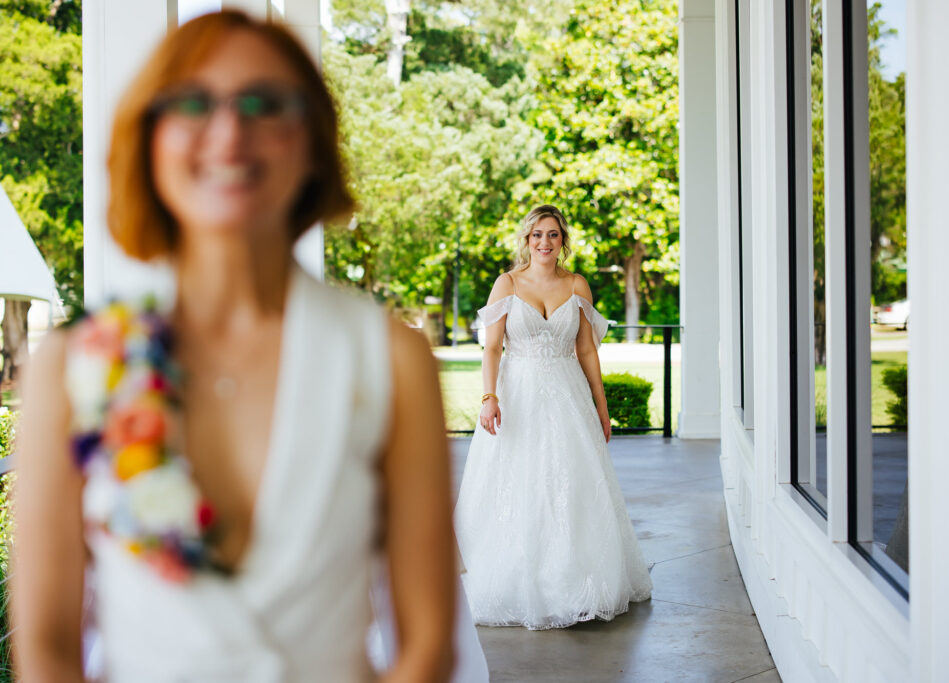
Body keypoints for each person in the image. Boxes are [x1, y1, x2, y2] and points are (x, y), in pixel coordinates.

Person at [11, 11, 455, 681]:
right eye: (192, 102)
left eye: (264, 103)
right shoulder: (73, 366)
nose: (229, 132)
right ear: (149, 136)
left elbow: (427, 643)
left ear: (312, 140)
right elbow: (44, 645)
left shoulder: (391, 359)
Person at [453, 205, 653, 630]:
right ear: (526, 240)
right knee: (520, 483)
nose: (545, 242)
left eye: (553, 235)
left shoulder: (577, 285)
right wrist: (489, 397)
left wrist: (602, 406)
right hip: (517, 395)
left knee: (572, 485)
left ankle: (574, 581)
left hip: (568, 398)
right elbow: (490, 349)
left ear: (563, 241)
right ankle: (517, 581)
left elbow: (586, 351)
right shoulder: (506, 284)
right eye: (537, 235)